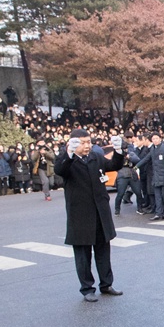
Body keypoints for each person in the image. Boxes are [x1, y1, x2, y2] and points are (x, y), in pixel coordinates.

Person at [54, 128, 125, 302]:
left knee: (103, 250)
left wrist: (118, 152)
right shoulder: (68, 161)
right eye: (83, 143)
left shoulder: (96, 157)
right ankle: (87, 288)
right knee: (83, 255)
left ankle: (106, 284)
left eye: (88, 142)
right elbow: (60, 170)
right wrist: (69, 153)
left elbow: (113, 166)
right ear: (73, 144)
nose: (87, 146)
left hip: (100, 212)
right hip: (80, 214)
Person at [135, 131, 164, 221]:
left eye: (156, 138)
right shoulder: (152, 149)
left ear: (160, 139)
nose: (155, 140)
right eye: (153, 139)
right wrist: (137, 166)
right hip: (156, 176)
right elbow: (146, 159)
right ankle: (158, 213)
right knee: (157, 195)